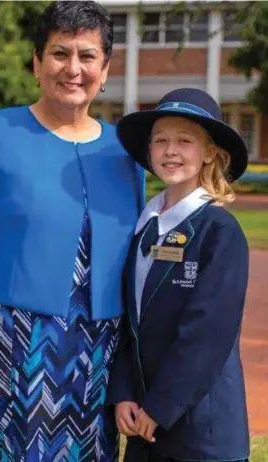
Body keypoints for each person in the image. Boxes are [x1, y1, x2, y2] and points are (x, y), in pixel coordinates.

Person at [0, 2, 144, 460]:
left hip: (98, 350)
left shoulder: (124, 151)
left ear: (105, 69)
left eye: (87, 56)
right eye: (59, 53)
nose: (73, 68)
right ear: (36, 62)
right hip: (11, 344)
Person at [107, 88, 250, 462]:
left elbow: (207, 335)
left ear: (209, 153)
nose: (171, 150)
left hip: (201, 432)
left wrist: (161, 406)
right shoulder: (143, 226)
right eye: (161, 140)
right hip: (143, 426)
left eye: (185, 141)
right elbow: (128, 323)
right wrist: (123, 392)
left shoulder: (220, 232)